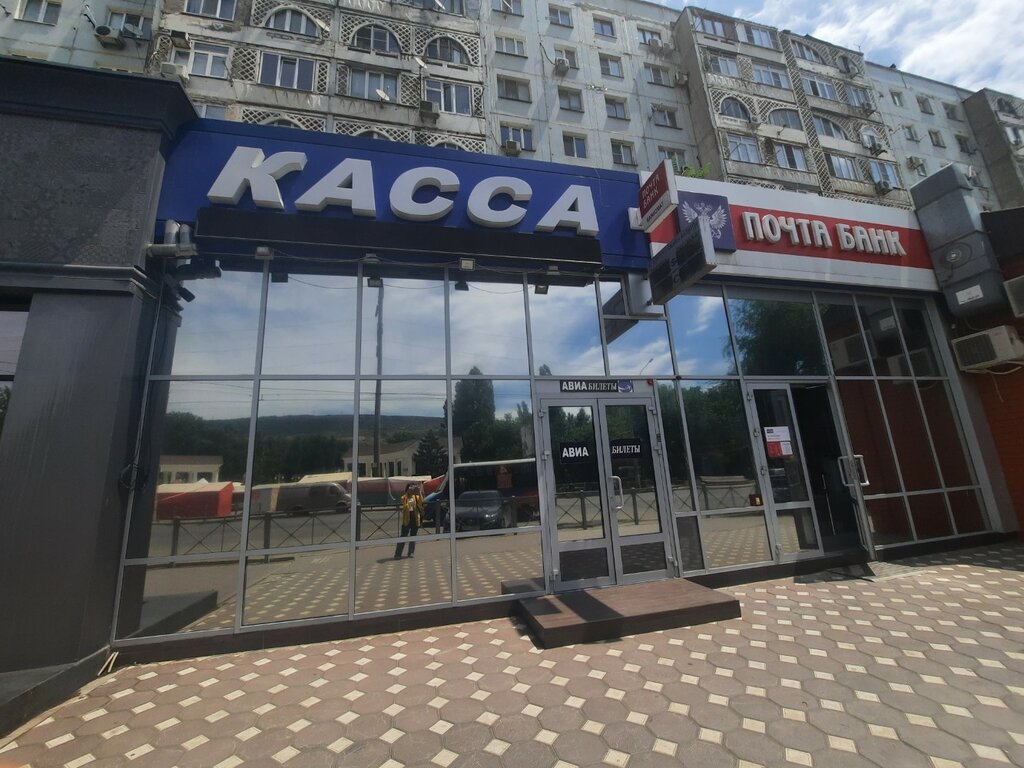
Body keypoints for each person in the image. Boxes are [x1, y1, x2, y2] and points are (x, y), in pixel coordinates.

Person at [394, 483, 424, 559]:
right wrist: (408, 494)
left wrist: (419, 492)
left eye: (413, 488)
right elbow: (403, 505)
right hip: (407, 519)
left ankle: (411, 552)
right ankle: (398, 554)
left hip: (415, 518)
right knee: (403, 536)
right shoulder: (404, 497)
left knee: (413, 536)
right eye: (410, 488)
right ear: (407, 489)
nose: (412, 490)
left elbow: (421, 502)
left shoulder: (416, 497)